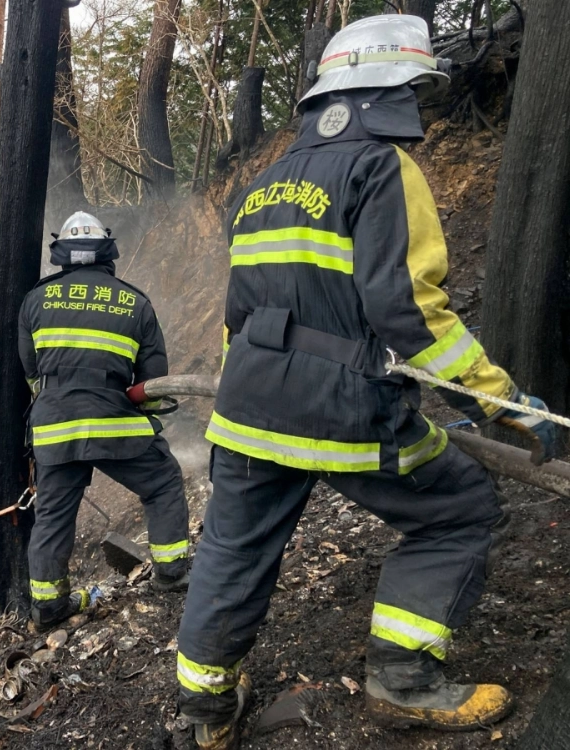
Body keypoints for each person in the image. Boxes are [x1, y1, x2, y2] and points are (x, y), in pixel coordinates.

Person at [174, 15, 559, 749]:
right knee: (459, 508)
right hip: (342, 407)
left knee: (232, 547)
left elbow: (237, 312)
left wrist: (239, 394)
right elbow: (409, 309)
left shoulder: (258, 187)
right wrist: (496, 400)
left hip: (248, 406)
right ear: (388, 91)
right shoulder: (382, 168)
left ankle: (204, 710)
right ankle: (404, 680)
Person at [18, 211, 191, 628]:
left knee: (54, 515)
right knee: (163, 481)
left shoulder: (35, 300)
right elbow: (154, 380)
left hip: (56, 424)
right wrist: (141, 420)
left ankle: (48, 607)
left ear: (62, 254)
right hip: (116, 418)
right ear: (106, 250)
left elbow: (30, 369)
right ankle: (171, 573)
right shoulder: (135, 301)